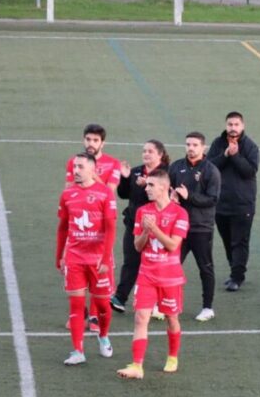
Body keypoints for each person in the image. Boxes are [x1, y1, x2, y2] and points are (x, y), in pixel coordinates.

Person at [117, 168, 189, 380]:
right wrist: (147, 232)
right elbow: (138, 247)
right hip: (147, 274)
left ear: (164, 187)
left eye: (150, 185)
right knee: (140, 318)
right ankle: (137, 366)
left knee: (171, 318)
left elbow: (173, 245)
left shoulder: (180, 213)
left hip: (170, 277)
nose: (146, 188)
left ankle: (173, 356)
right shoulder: (142, 212)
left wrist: (155, 229)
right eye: (146, 184)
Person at [56, 152, 117, 365]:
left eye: (81, 167)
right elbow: (63, 227)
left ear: (93, 169)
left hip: (98, 260)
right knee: (75, 304)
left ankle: (103, 336)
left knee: (102, 305)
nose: (76, 171)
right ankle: (77, 351)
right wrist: (59, 256)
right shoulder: (67, 194)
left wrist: (106, 259)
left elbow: (111, 229)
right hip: (75, 258)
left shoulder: (105, 194)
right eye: (74, 167)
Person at [63, 123, 122, 333]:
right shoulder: (74, 162)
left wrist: (91, 175)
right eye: (88, 139)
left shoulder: (113, 164)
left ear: (102, 143)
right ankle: (82, 313)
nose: (91, 144)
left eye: (95, 140)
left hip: (100, 228)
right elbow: (69, 189)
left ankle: (96, 317)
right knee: (77, 270)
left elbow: (110, 191)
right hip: (79, 224)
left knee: (100, 271)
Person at [111, 140, 169, 314]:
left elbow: (164, 198)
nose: (146, 154)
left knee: (157, 265)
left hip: (158, 227)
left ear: (160, 154)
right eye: (144, 151)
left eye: (150, 151)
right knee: (131, 261)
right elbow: (123, 194)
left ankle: (159, 302)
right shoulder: (136, 171)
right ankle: (120, 298)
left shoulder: (167, 173)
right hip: (135, 224)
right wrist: (125, 177)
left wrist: (148, 186)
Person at [169, 132, 221, 323]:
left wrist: (188, 196)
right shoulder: (176, 167)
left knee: (205, 268)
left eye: (195, 145)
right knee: (171, 265)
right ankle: (165, 303)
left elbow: (212, 199)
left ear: (203, 148)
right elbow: (167, 189)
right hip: (177, 227)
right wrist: (171, 197)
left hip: (201, 227)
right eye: (188, 144)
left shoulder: (211, 170)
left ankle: (207, 307)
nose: (191, 148)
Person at [207, 111, 260, 293]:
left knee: (240, 241)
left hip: (243, 204)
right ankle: (234, 270)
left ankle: (237, 276)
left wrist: (236, 156)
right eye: (230, 124)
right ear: (225, 125)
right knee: (228, 241)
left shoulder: (250, 146)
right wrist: (226, 155)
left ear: (242, 126)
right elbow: (209, 166)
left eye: (236, 124)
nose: (233, 128)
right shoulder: (217, 144)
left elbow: (250, 171)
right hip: (220, 203)